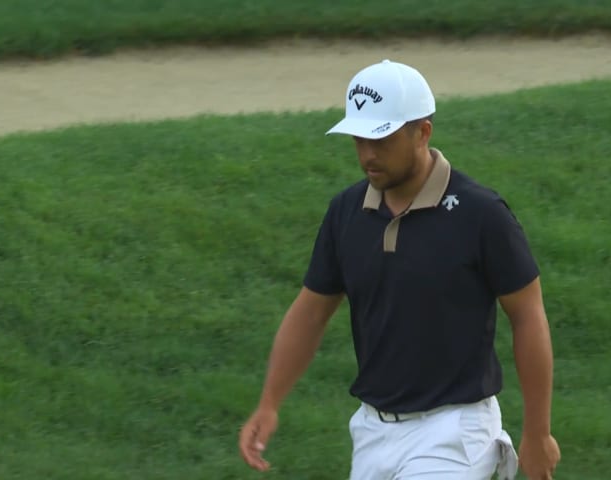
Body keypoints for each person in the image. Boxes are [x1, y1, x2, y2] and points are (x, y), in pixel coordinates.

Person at [239, 59, 560, 480]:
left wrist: (538, 433)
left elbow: (528, 315)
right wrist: (269, 402)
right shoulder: (346, 212)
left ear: (422, 132)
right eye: (359, 139)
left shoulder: (480, 214)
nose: (368, 155)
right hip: (372, 432)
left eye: (382, 140)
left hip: (455, 431)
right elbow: (311, 311)